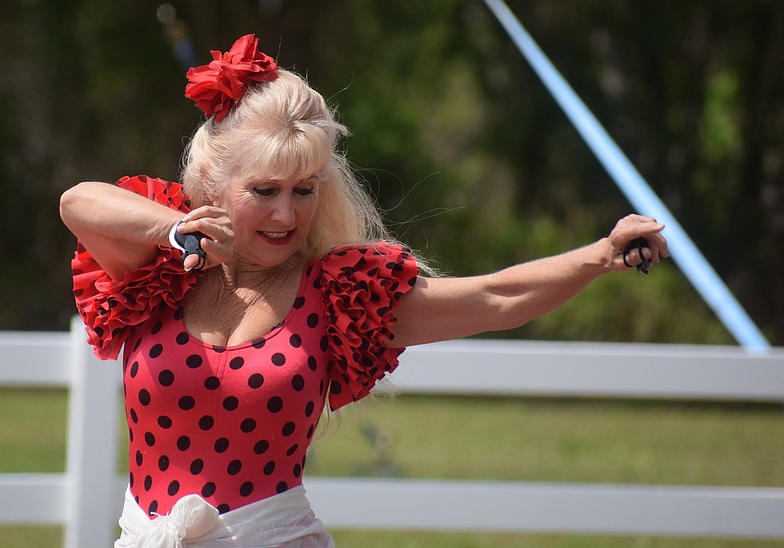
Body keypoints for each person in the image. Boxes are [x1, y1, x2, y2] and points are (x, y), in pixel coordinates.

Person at [60, 34, 669, 547]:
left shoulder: (341, 295)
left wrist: (598, 256)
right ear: (214, 185)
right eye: (265, 190)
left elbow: (493, 299)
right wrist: (174, 232)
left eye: (305, 190)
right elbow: (76, 203)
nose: (286, 215)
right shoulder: (157, 270)